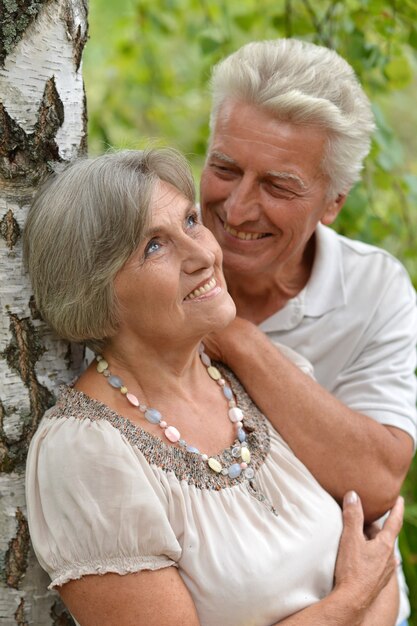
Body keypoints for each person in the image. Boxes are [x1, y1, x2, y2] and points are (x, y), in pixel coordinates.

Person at [23, 148, 403, 626]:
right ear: (95, 292)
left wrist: (366, 589)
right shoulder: (85, 455)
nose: (204, 254)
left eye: (190, 221)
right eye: (154, 247)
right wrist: (351, 597)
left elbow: (380, 554)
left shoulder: (254, 372)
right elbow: (369, 577)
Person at [199, 38, 417, 626]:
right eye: (224, 169)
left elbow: (376, 483)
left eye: (278, 186)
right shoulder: (148, 262)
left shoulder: (374, 289)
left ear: (333, 202)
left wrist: (234, 337)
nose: (238, 209)